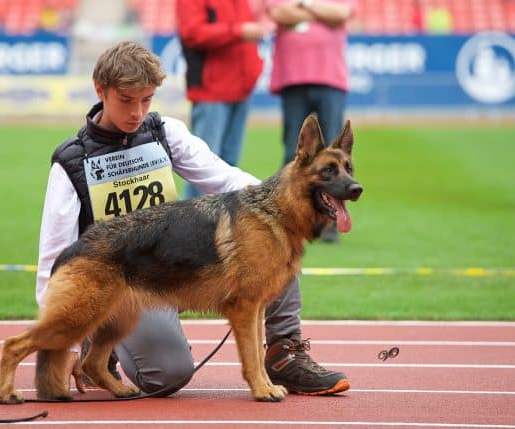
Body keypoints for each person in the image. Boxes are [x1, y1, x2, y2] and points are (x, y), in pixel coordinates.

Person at [36, 40, 350, 397]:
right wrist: (66, 346)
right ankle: (97, 340)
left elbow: (223, 176)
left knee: (273, 239)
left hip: (182, 265)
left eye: (147, 99)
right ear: (100, 91)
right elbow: (53, 258)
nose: (137, 112)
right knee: (168, 376)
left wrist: (275, 201)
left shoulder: (164, 132)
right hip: (126, 280)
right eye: (126, 100)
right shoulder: (71, 162)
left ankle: (284, 353)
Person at [266, 0, 355, 243]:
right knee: (294, 154)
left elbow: (340, 13)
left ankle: (330, 223)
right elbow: (279, 13)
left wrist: (305, 4)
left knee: (335, 157)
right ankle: (288, 219)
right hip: (292, 78)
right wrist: (320, 12)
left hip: (330, 79)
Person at [175, 0, 270, 199]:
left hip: (240, 90)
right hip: (211, 91)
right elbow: (192, 33)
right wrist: (239, 31)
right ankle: (190, 228)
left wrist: (254, 68)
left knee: (229, 168)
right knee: (201, 169)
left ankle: (218, 226)